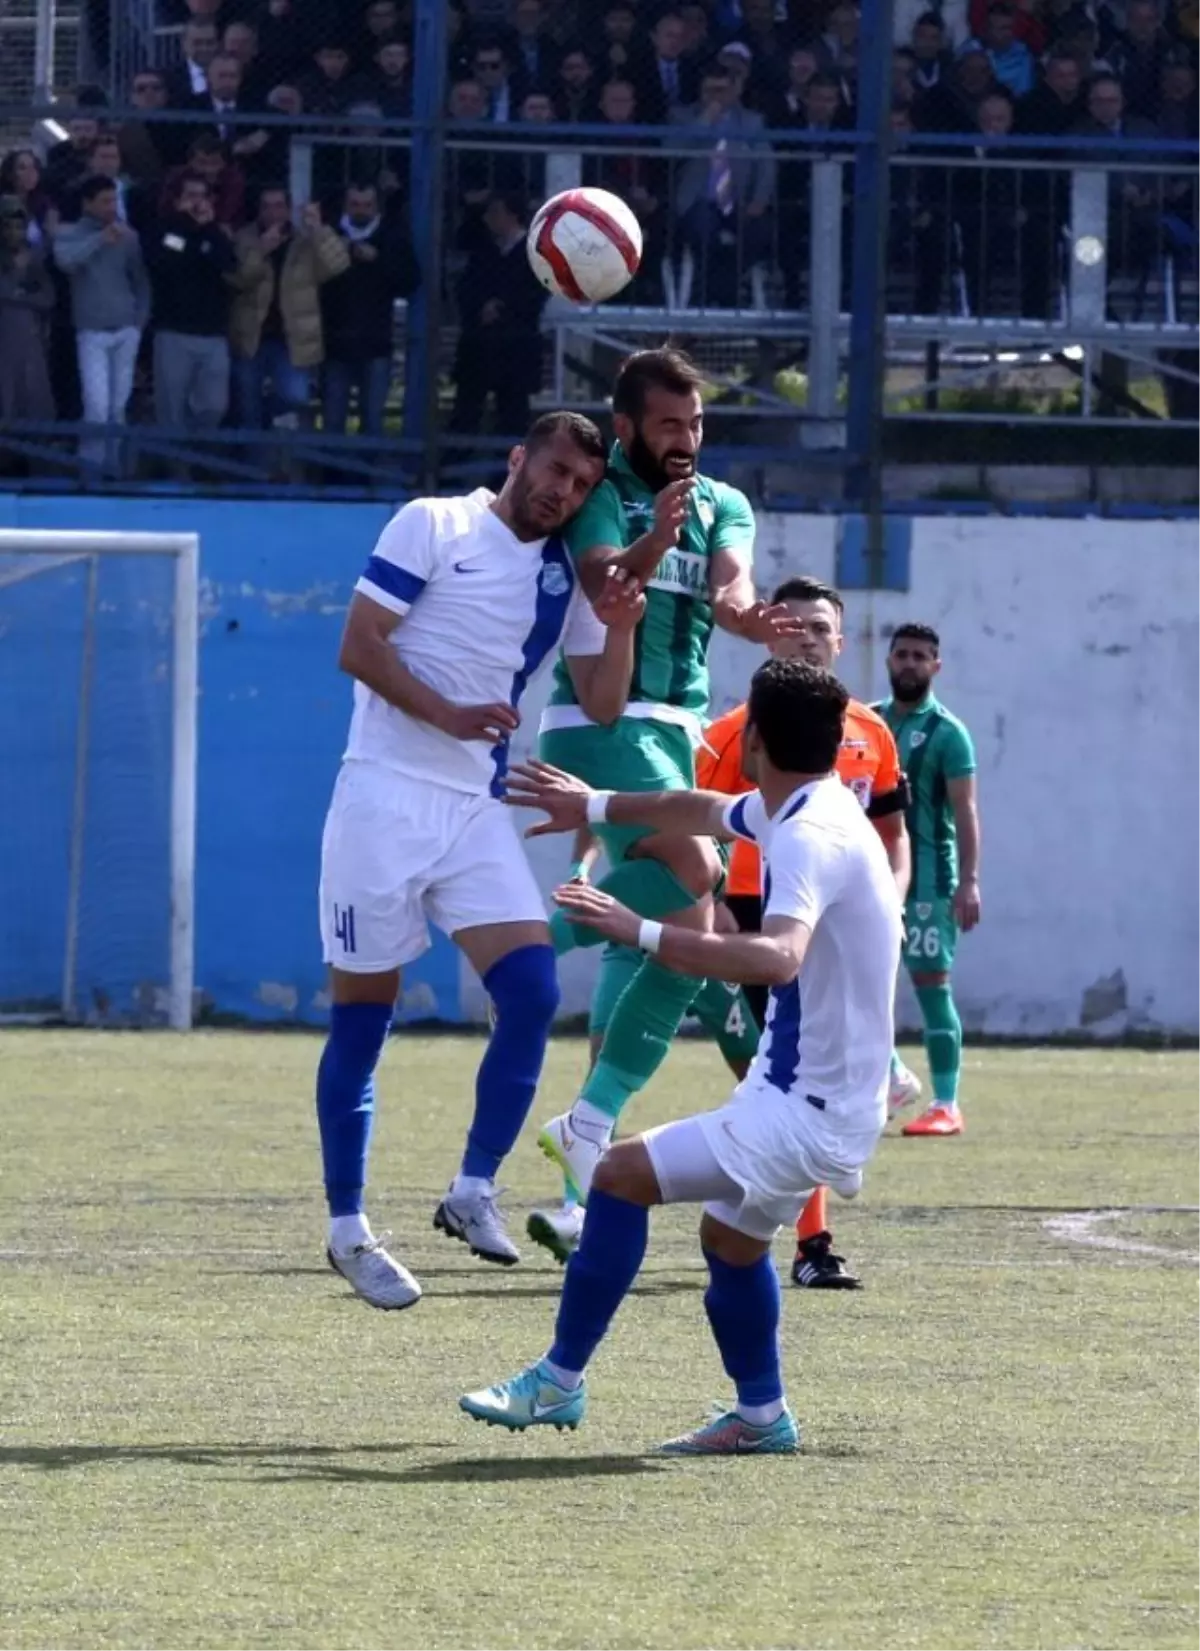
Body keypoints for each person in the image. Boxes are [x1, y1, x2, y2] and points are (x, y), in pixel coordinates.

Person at [460, 659, 902, 1452]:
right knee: (730, 1245)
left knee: (617, 1176)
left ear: (755, 738)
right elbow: (697, 806)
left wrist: (641, 931)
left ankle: (557, 1383)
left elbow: (776, 959)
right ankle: (761, 1417)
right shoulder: (805, 803)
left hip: (808, 1108)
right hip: (805, 1093)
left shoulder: (807, 833)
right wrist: (590, 804)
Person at [317, 411, 646, 1310]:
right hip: (382, 793)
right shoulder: (434, 522)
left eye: (581, 486)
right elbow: (359, 646)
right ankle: (347, 1229)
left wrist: (619, 624)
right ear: (517, 457)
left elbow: (607, 703)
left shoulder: (562, 577)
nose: (563, 493)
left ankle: (471, 1189)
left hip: (471, 810)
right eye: (554, 472)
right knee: (363, 1023)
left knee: (534, 990)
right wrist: (449, 716)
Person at [525, 346, 800, 1263]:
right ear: (631, 426)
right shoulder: (603, 491)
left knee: (691, 938)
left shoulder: (724, 501)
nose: (687, 439)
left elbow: (730, 588)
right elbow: (608, 588)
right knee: (699, 868)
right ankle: (529, 941)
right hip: (600, 719)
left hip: (673, 728)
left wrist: (751, 616)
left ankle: (588, 1126)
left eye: (698, 424)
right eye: (671, 424)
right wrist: (653, 539)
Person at [688, 576, 913, 1288]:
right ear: (771, 633)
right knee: (786, 1079)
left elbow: (892, 832)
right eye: (795, 625)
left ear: (841, 643)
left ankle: (796, 1239)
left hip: (837, 926)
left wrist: (894, 898)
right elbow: (699, 814)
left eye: (822, 627)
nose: (808, 636)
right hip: (760, 916)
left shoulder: (871, 732)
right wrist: (716, 893)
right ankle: (800, 1239)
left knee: (797, 1081)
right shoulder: (735, 731)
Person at [877, 624, 981, 1137]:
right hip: (868, 880)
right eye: (902, 655)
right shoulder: (866, 722)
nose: (910, 664)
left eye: (921, 656)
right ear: (889, 661)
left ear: (936, 666)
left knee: (931, 987)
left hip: (929, 883)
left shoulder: (948, 732)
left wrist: (970, 881)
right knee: (857, 986)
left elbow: (965, 812)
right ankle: (892, 1075)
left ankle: (946, 1103)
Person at [52, 174, 150, 474]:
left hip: (125, 330)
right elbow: (66, 262)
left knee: (117, 408)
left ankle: (113, 469)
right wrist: (99, 239)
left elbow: (141, 282)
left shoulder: (129, 237)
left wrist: (138, 324)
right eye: (105, 201)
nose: (111, 207)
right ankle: (90, 470)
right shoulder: (69, 233)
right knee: (96, 407)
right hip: (91, 332)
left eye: (114, 200)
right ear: (87, 203)